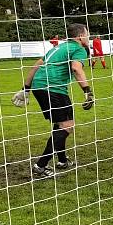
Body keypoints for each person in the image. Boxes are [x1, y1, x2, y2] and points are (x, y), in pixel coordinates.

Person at [12, 23, 94, 179]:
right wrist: (87, 91)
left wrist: (26, 89)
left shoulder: (57, 48)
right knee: (67, 126)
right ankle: (40, 166)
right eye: (87, 34)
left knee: (60, 124)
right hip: (54, 88)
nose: (88, 37)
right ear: (80, 36)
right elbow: (76, 68)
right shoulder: (78, 49)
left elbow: (35, 66)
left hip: (39, 86)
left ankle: (62, 161)